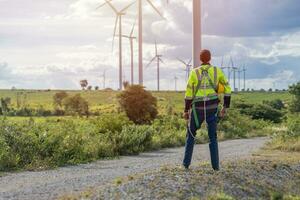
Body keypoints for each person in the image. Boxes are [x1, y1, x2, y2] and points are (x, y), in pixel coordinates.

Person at [182, 49, 232, 170]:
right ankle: (215, 167)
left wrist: (186, 110)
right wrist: (225, 107)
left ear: (200, 59)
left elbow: (189, 93)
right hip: (212, 107)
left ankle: (185, 165)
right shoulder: (217, 71)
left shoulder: (194, 72)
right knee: (212, 137)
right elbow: (227, 89)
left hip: (197, 108)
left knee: (191, 135)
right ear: (210, 58)